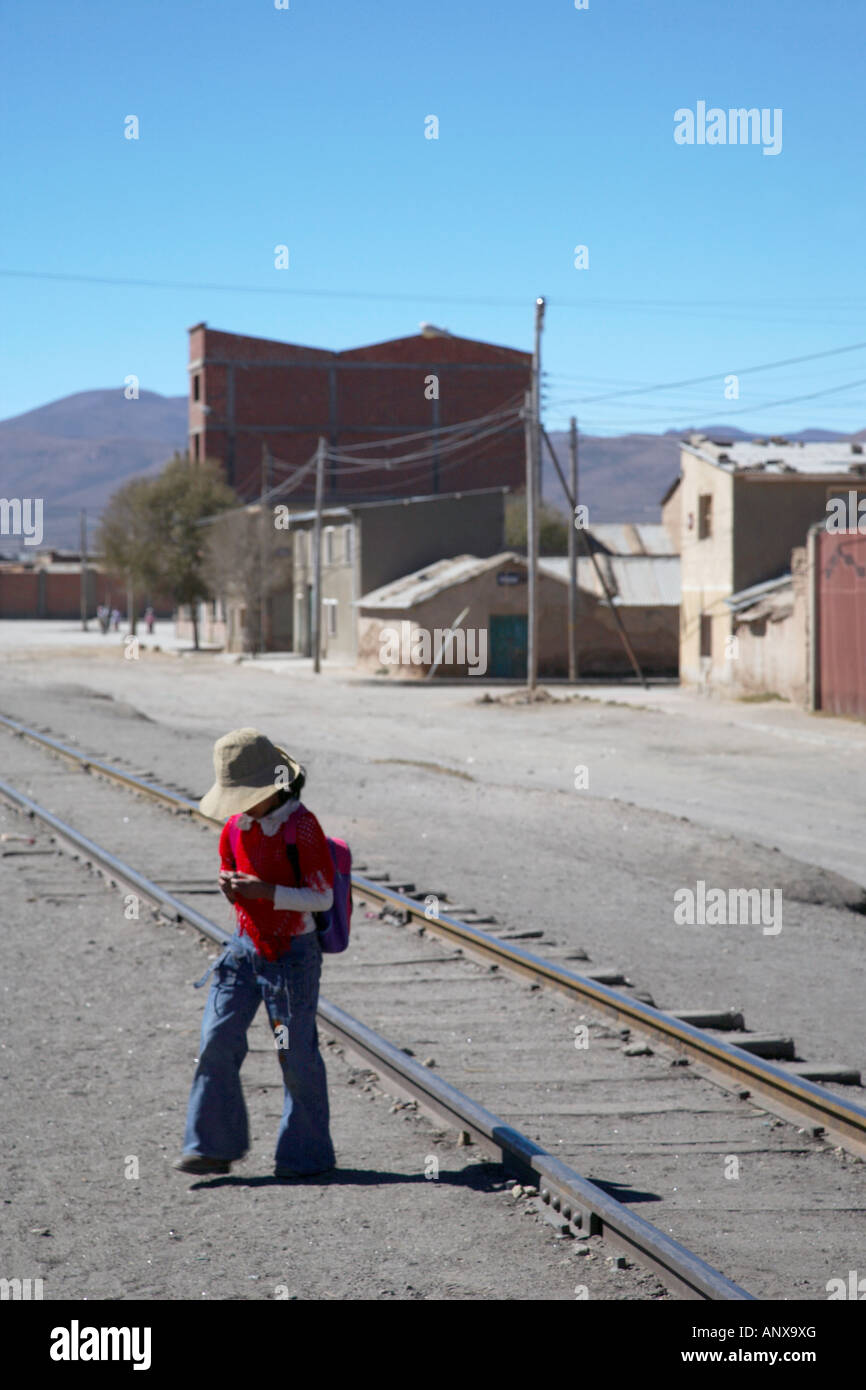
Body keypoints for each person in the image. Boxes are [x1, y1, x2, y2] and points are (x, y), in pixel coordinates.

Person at [174, 727, 336, 1179]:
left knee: (296, 1057)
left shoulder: (302, 826)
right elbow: (234, 878)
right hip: (244, 950)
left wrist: (267, 891)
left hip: (292, 957)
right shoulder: (234, 827)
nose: (240, 805)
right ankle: (210, 1147)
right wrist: (232, 888)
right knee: (216, 1038)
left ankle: (306, 1158)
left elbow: (322, 897)